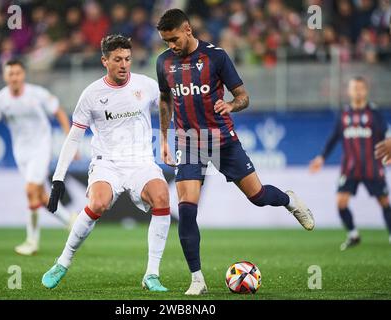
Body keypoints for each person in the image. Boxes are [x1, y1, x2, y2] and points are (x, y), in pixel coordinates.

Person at [155, 9, 314, 296]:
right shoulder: (163, 62)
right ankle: (197, 279)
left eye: (174, 39)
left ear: (188, 29)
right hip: (188, 142)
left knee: (259, 197)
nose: (171, 46)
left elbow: (243, 96)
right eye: (166, 41)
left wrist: (230, 105)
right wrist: (165, 138)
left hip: (222, 140)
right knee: (187, 210)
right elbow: (165, 99)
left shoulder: (216, 57)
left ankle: (289, 200)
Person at [42, 35, 171, 292]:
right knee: (97, 203)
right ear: (105, 61)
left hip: (140, 162)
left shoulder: (145, 85)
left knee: (162, 197)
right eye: (117, 60)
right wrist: (58, 178)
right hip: (107, 162)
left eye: (127, 59)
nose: (124, 65)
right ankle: (63, 261)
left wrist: (165, 138)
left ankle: (151, 274)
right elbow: (74, 137)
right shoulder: (91, 95)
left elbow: (167, 102)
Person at [0, 59, 75, 256]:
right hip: (21, 152)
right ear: (5, 77)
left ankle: (32, 242)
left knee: (30, 189)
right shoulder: (1, 99)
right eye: (10, 74)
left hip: (41, 146)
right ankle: (71, 221)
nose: (14, 77)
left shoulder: (37, 93)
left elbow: (58, 111)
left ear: (23, 75)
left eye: (17, 73)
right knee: (39, 196)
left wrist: (70, 140)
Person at [310, 76, 391, 249]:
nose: (357, 91)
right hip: (350, 168)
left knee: (384, 202)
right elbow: (334, 138)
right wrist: (321, 157)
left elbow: (387, 136)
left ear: (366, 90)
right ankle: (353, 234)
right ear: (349, 91)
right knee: (341, 203)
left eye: (360, 88)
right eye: (354, 88)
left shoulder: (374, 114)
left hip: (373, 167)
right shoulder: (344, 114)